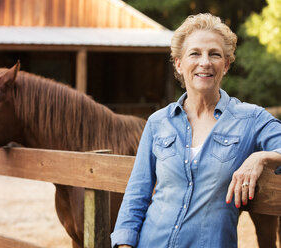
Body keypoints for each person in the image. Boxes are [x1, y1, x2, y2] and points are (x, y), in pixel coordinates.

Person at [110, 13, 281, 248]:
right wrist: (124, 245)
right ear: (179, 64)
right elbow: (136, 196)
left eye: (215, 54)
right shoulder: (158, 122)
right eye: (195, 53)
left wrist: (261, 157)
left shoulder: (251, 118)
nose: (205, 62)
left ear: (226, 64)